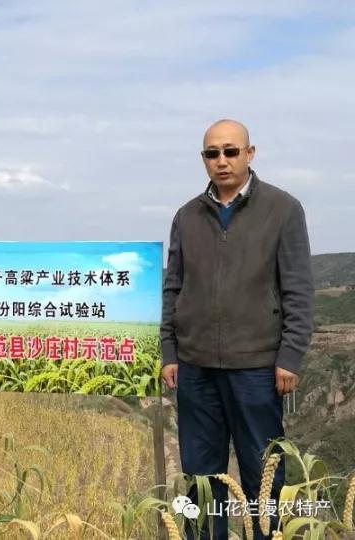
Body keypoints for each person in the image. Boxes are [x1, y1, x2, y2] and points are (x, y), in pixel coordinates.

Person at [160, 120, 313, 539]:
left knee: (263, 476)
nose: (222, 161)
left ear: (250, 153)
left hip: (257, 369)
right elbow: (174, 287)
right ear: (203, 159)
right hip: (195, 368)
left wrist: (290, 355)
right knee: (200, 478)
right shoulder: (187, 216)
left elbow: (298, 288)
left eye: (230, 151)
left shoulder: (282, 209)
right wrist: (169, 352)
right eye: (212, 153)